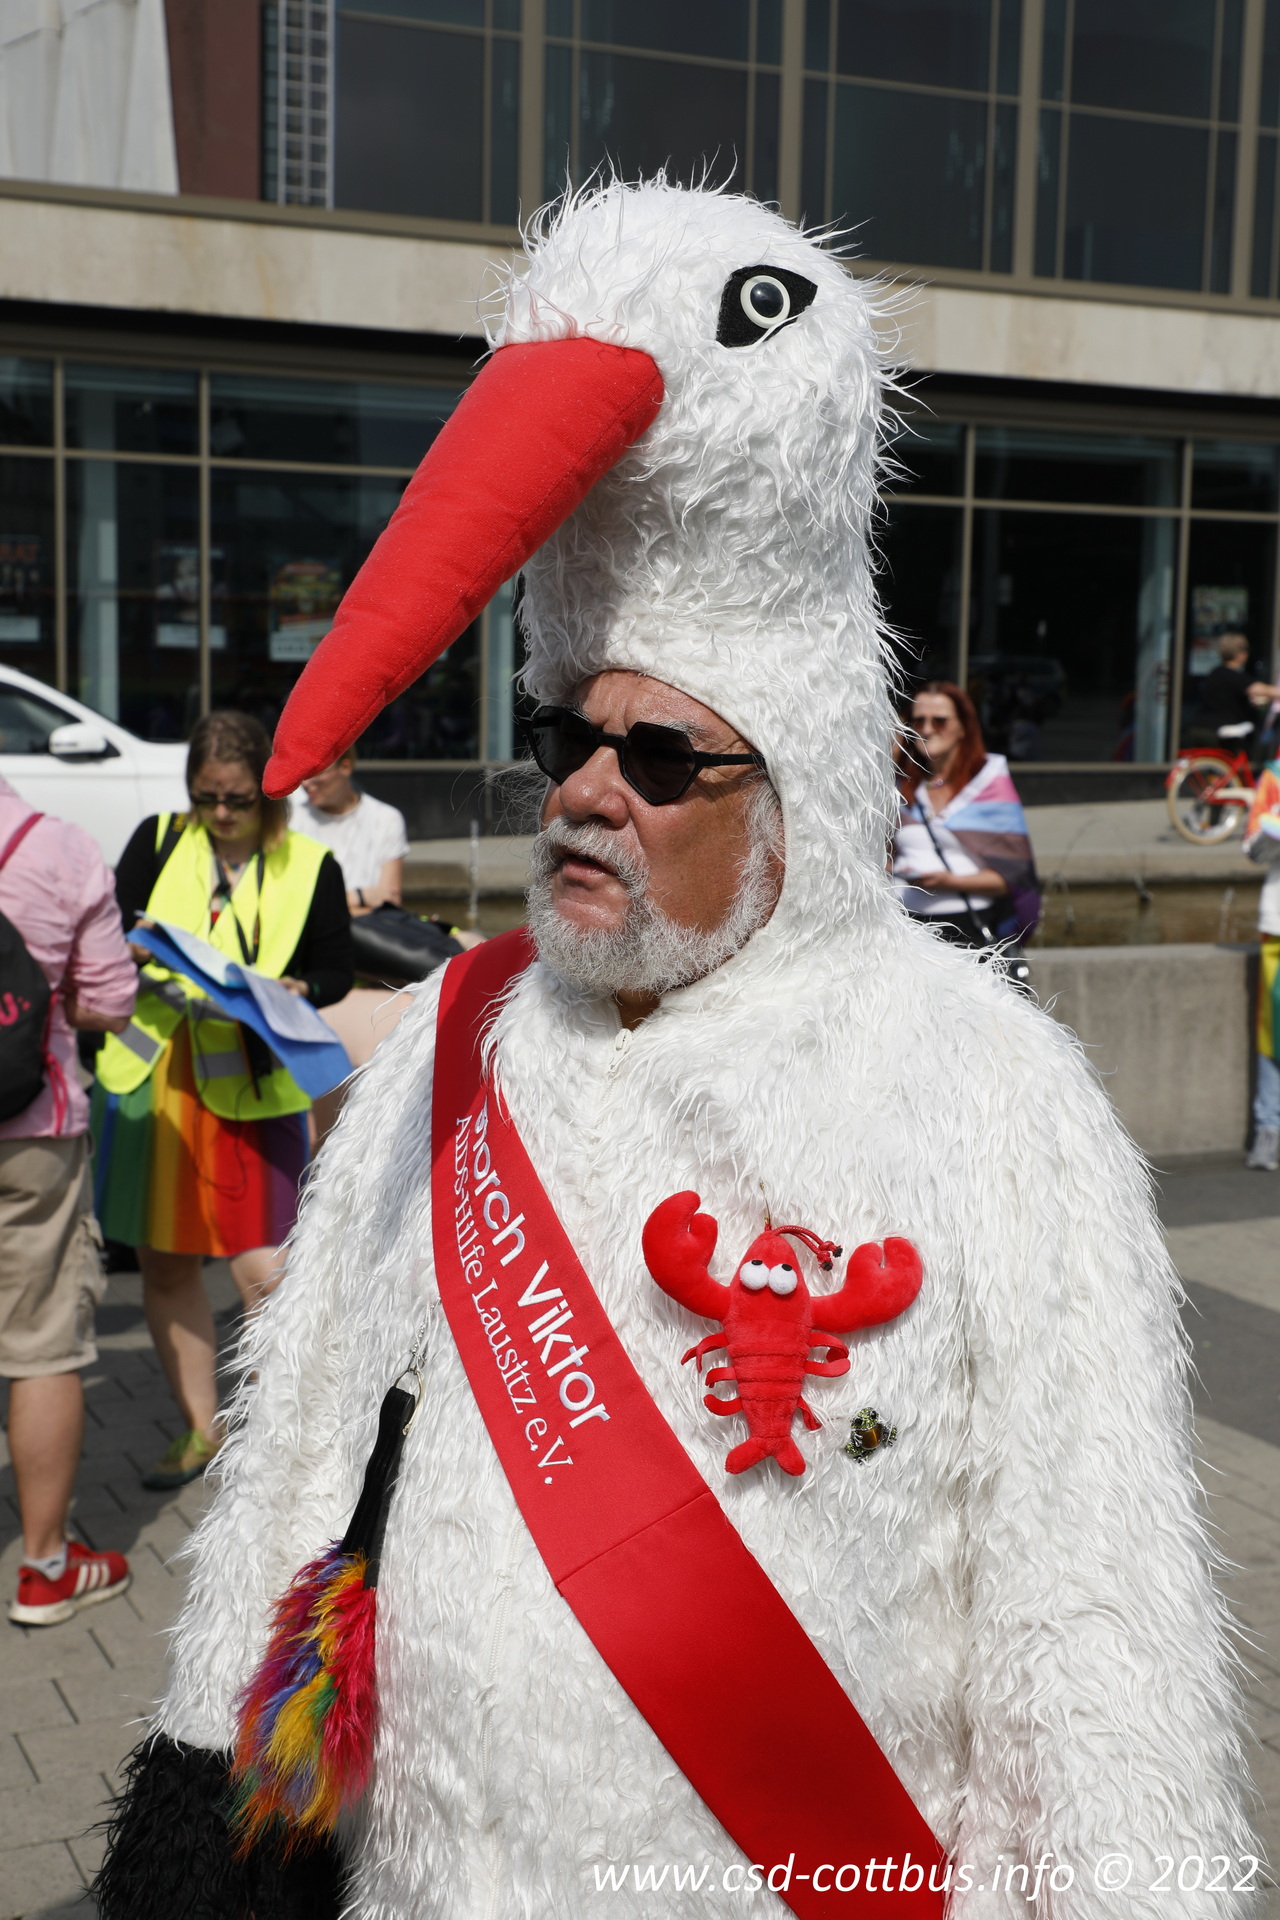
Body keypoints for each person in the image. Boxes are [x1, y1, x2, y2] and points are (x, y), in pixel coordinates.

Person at [99, 184, 1255, 1919]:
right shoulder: (452, 1043)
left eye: (657, 758)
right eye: (565, 731)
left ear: (797, 794)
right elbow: (303, 1453)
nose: (584, 788)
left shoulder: (993, 1097)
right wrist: (210, 1807)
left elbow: (1096, 1629)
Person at [90, 711, 352, 1492]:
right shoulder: (158, 840)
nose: (222, 812)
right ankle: (201, 1430)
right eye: (207, 797)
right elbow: (108, 932)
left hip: (252, 1086)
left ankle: (276, 1435)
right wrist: (128, 948)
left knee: (265, 1269)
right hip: (157, 1078)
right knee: (165, 1261)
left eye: (238, 798)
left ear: (269, 794)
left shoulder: (311, 863)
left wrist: (301, 988)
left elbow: (335, 969)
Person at [0, 776, 137, 1625]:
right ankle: (46, 1567)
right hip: (31, 1131)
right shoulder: (57, 847)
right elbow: (112, 1003)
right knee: (42, 1344)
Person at [892, 680, 1040, 946]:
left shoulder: (989, 783)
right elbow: (880, 858)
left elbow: (1014, 878)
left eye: (939, 721)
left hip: (968, 928)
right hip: (904, 925)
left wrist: (949, 881)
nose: (927, 729)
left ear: (962, 727)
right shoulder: (900, 787)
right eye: (918, 721)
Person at [289, 749, 409, 917]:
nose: (306, 783)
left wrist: (323, 908)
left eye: (316, 773)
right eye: (302, 774)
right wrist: (361, 896)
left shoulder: (386, 819)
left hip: (364, 932)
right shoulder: (291, 819)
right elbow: (292, 903)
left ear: (345, 767)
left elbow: (390, 903)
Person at [1243, 751, 1280, 1170]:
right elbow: (1252, 848)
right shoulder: (1275, 778)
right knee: (1274, 1031)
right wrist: (1273, 832)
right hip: (1279, 926)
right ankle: (1269, 1127)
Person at [1189, 630, 1280, 756]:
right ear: (1239, 655)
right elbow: (1260, 689)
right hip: (1220, 729)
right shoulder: (1234, 675)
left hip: (1200, 726)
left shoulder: (1215, 673)